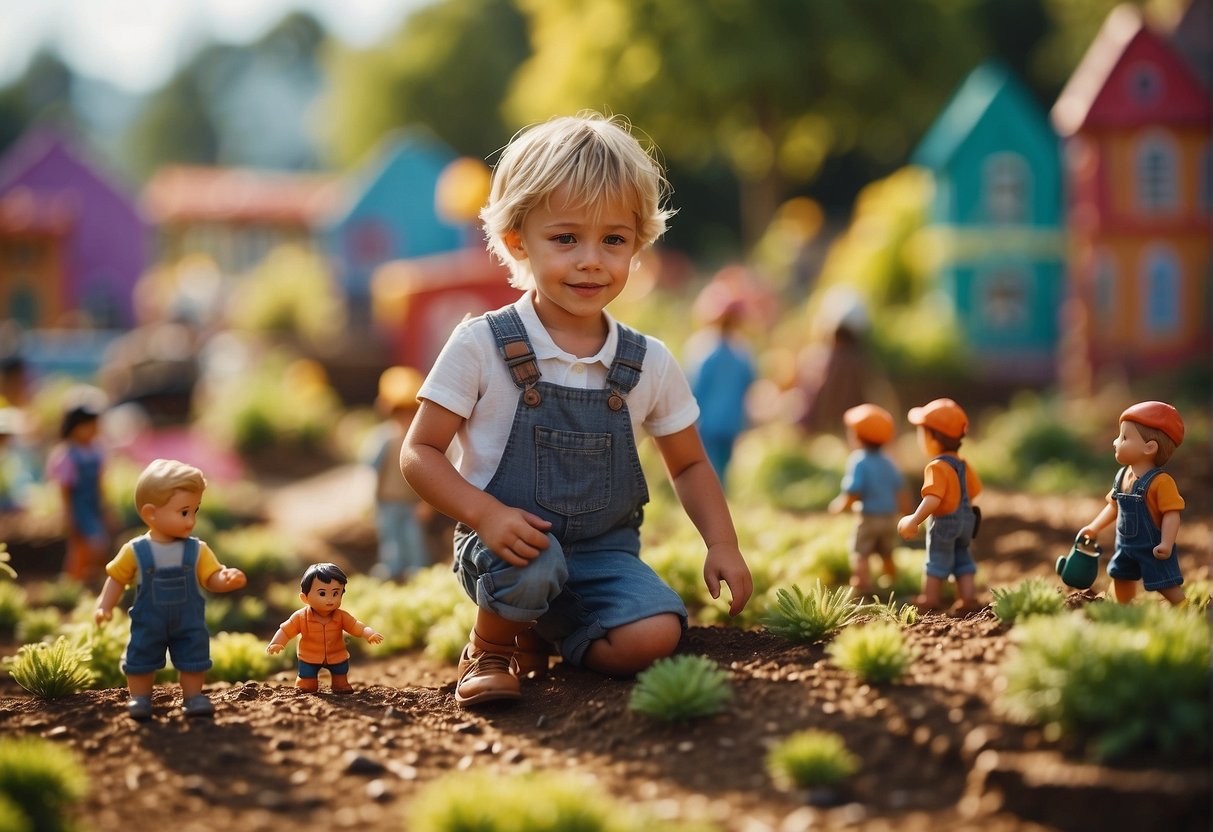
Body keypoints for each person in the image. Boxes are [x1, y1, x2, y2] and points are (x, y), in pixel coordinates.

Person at [400, 112, 753, 707]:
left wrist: (721, 542)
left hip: (603, 556)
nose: (591, 260)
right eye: (565, 238)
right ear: (517, 241)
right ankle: (491, 645)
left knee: (657, 633)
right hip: (505, 547)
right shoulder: (482, 344)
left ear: (637, 244)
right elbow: (419, 452)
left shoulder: (649, 362)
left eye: (613, 239)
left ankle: (546, 628)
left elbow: (689, 464)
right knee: (534, 565)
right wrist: (485, 515)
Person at [93, 459, 247, 720]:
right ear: (151, 513)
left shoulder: (197, 549)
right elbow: (117, 578)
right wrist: (104, 605)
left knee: (193, 657)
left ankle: (193, 697)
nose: (192, 521)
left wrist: (226, 579)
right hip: (149, 619)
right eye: (184, 512)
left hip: (188, 620)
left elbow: (210, 577)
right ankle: (140, 698)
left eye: (195, 511)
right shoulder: (135, 550)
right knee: (141, 657)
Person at [1077, 401, 1186, 605]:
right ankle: (1123, 608)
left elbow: (1172, 513)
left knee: (1164, 582)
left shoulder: (1161, 482)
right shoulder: (1122, 475)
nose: (1115, 442)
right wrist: (1094, 527)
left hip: (1152, 547)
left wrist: (1166, 543)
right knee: (1121, 575)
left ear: (1150, 447)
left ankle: (1184, 608)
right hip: (1125, 545)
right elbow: (1113, 506)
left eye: (1124, 437)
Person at [897, 398, 982, 615]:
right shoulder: (963, 464)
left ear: (932, 438)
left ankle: (930, 598)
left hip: (945, 522)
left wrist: (914, 519)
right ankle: (967, 597)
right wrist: (966, 517)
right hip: (966, 520)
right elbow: (973, 491)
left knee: (936, 558)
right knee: (963, 557)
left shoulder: (936, 467)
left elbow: (933, 499)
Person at [829, 404, 909, 596]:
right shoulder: (889, 461)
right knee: (887, 552)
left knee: (860, 552)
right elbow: (900, 489)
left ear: (856, 436)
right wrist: (906, 511)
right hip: (889, 518)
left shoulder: (858, 460)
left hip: (869, 518)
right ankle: (892, 580)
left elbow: (854, 490)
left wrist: (841, 505)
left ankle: (861, 583)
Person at [266, 562, 385, 692]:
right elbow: (286, 630)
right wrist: (276, 643)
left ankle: (340, 684)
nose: (330, 599)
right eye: (322, 594)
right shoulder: (300, 617)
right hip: (309, 656)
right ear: (305, 598)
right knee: (307, 680)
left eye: (335, 594)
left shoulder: (341, 616)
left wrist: (369, 633)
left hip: (336, 654)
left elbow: (356, 626)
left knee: (340, 672)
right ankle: (306, 683)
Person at [364, 366, 431, 580]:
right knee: (390, 537)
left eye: (410, 412)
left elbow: (431, 474)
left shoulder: (422, 442)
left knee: (413, 537)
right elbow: (371, 467)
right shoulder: (384, 439)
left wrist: (427, 504)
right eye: (400, 412)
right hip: (388, 501)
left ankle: (416, 568)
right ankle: (391, 567)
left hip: (412, 502)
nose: (405, 418)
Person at [684, 298, 756, 483]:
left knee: (708, 464)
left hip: (706, 419)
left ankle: (711, 501)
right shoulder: (741, 351)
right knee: (722, 465)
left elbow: (694, 385)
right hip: (731, 419)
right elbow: (750, 381)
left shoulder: (704, 349)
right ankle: (719, 499)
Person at [47, 402, 110, 583]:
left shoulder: (95, 451)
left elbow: (99, 482)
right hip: (78, 506)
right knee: (84, 546)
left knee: (95, 545)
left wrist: (105, 506)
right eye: (88, 426)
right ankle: (72, 581)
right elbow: (65, 488)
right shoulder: (68, 455)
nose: (92, 430)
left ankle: (87, 581)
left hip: (93, 504)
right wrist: (67, 514)